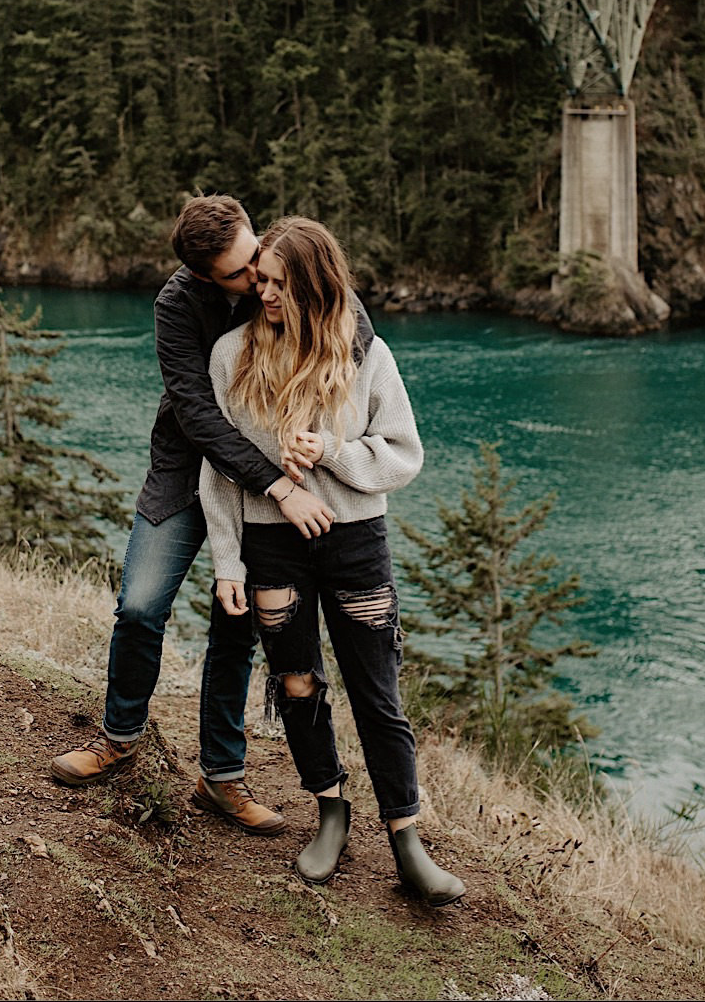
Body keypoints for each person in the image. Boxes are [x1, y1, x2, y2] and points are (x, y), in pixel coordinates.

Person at [48, 194, 372, 836]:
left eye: (256, 259)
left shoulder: (279, 273)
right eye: (239, 274)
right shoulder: (176, 305)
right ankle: (119, 738)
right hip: (188, 473)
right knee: (140, 605)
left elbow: (355, 333)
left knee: (238, 625)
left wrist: (324, 445)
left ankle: (221, 779)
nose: (257, 280)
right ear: (203, 277)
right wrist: (279, 485)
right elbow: (196, 416)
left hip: (267, 483)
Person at [200, 215, 463, 904]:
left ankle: (406, 836)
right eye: (263, 280)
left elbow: (404, 451)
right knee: (296, 683)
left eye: (282, 284)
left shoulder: (364, 354)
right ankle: (330, 810)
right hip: (270, 542)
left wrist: (334, 453)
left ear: (316, 287)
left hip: (355, 540)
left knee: (378, 690)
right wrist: (228, 559)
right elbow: (221, 472)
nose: (265, 293)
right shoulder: (231, 355)